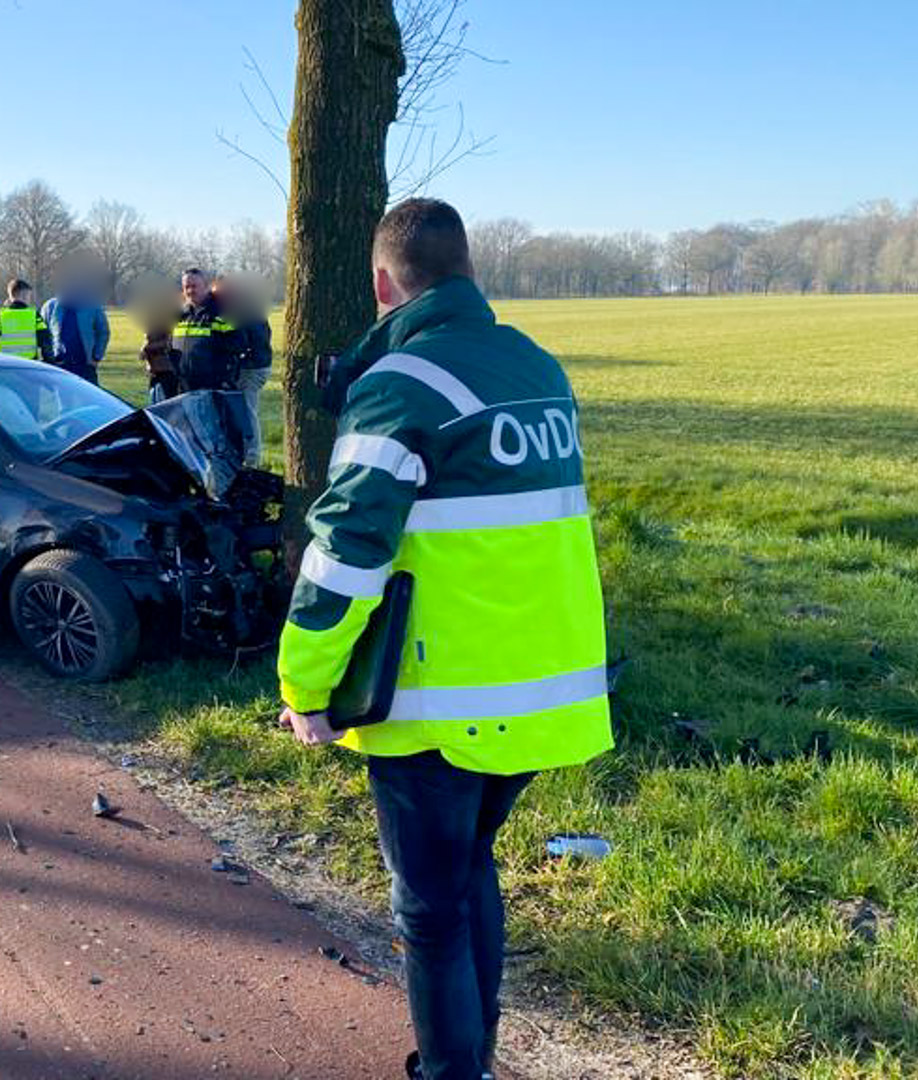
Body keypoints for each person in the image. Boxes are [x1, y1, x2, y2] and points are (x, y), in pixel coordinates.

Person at [274, 198, 614, 1080]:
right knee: (468, 872)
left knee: (428, 910)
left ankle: (454, 1072)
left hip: (440, 703)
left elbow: (345, 552)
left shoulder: (403, 385)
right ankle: (476, 1058)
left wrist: (304, 685)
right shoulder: (539, 368)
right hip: (543, 690)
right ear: (467, 270)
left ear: (385, 283)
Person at [213, 274, 274, 465]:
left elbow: (241, 341)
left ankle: (251, 459)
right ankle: (244, 455)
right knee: (243, 411)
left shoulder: (238, 311)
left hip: (251, 367)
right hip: (256, 364)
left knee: (247, 412)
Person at [172, 267, 245, 394]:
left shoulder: (220, 312)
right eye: (186, 287)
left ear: (206, 287)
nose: (190, 291)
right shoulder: (181, 315)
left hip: (212, 389)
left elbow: (238, 345)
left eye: (194, 286)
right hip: (183, 387)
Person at [40, 284, 110, 383]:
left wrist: (96, 356)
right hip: (60, 364)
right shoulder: (50, 307)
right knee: (62, 396)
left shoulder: (92, 305)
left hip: (85, 364)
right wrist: (49, 357)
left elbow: (103, 332)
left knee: (88, 396)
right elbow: (44, 335)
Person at [0, 278, 50, 360]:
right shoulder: (34, 315)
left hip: (6, 364)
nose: (29, 300)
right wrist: (49, 361)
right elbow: (45, 341)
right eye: (29, 296)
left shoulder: (0, 315)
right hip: (29, 365)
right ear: (24, 295)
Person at [139, 310, 182, 402]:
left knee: (167, 403)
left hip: (167, 370)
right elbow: (148, 339)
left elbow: (172, 340)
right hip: (155, 371)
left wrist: (148, 348)